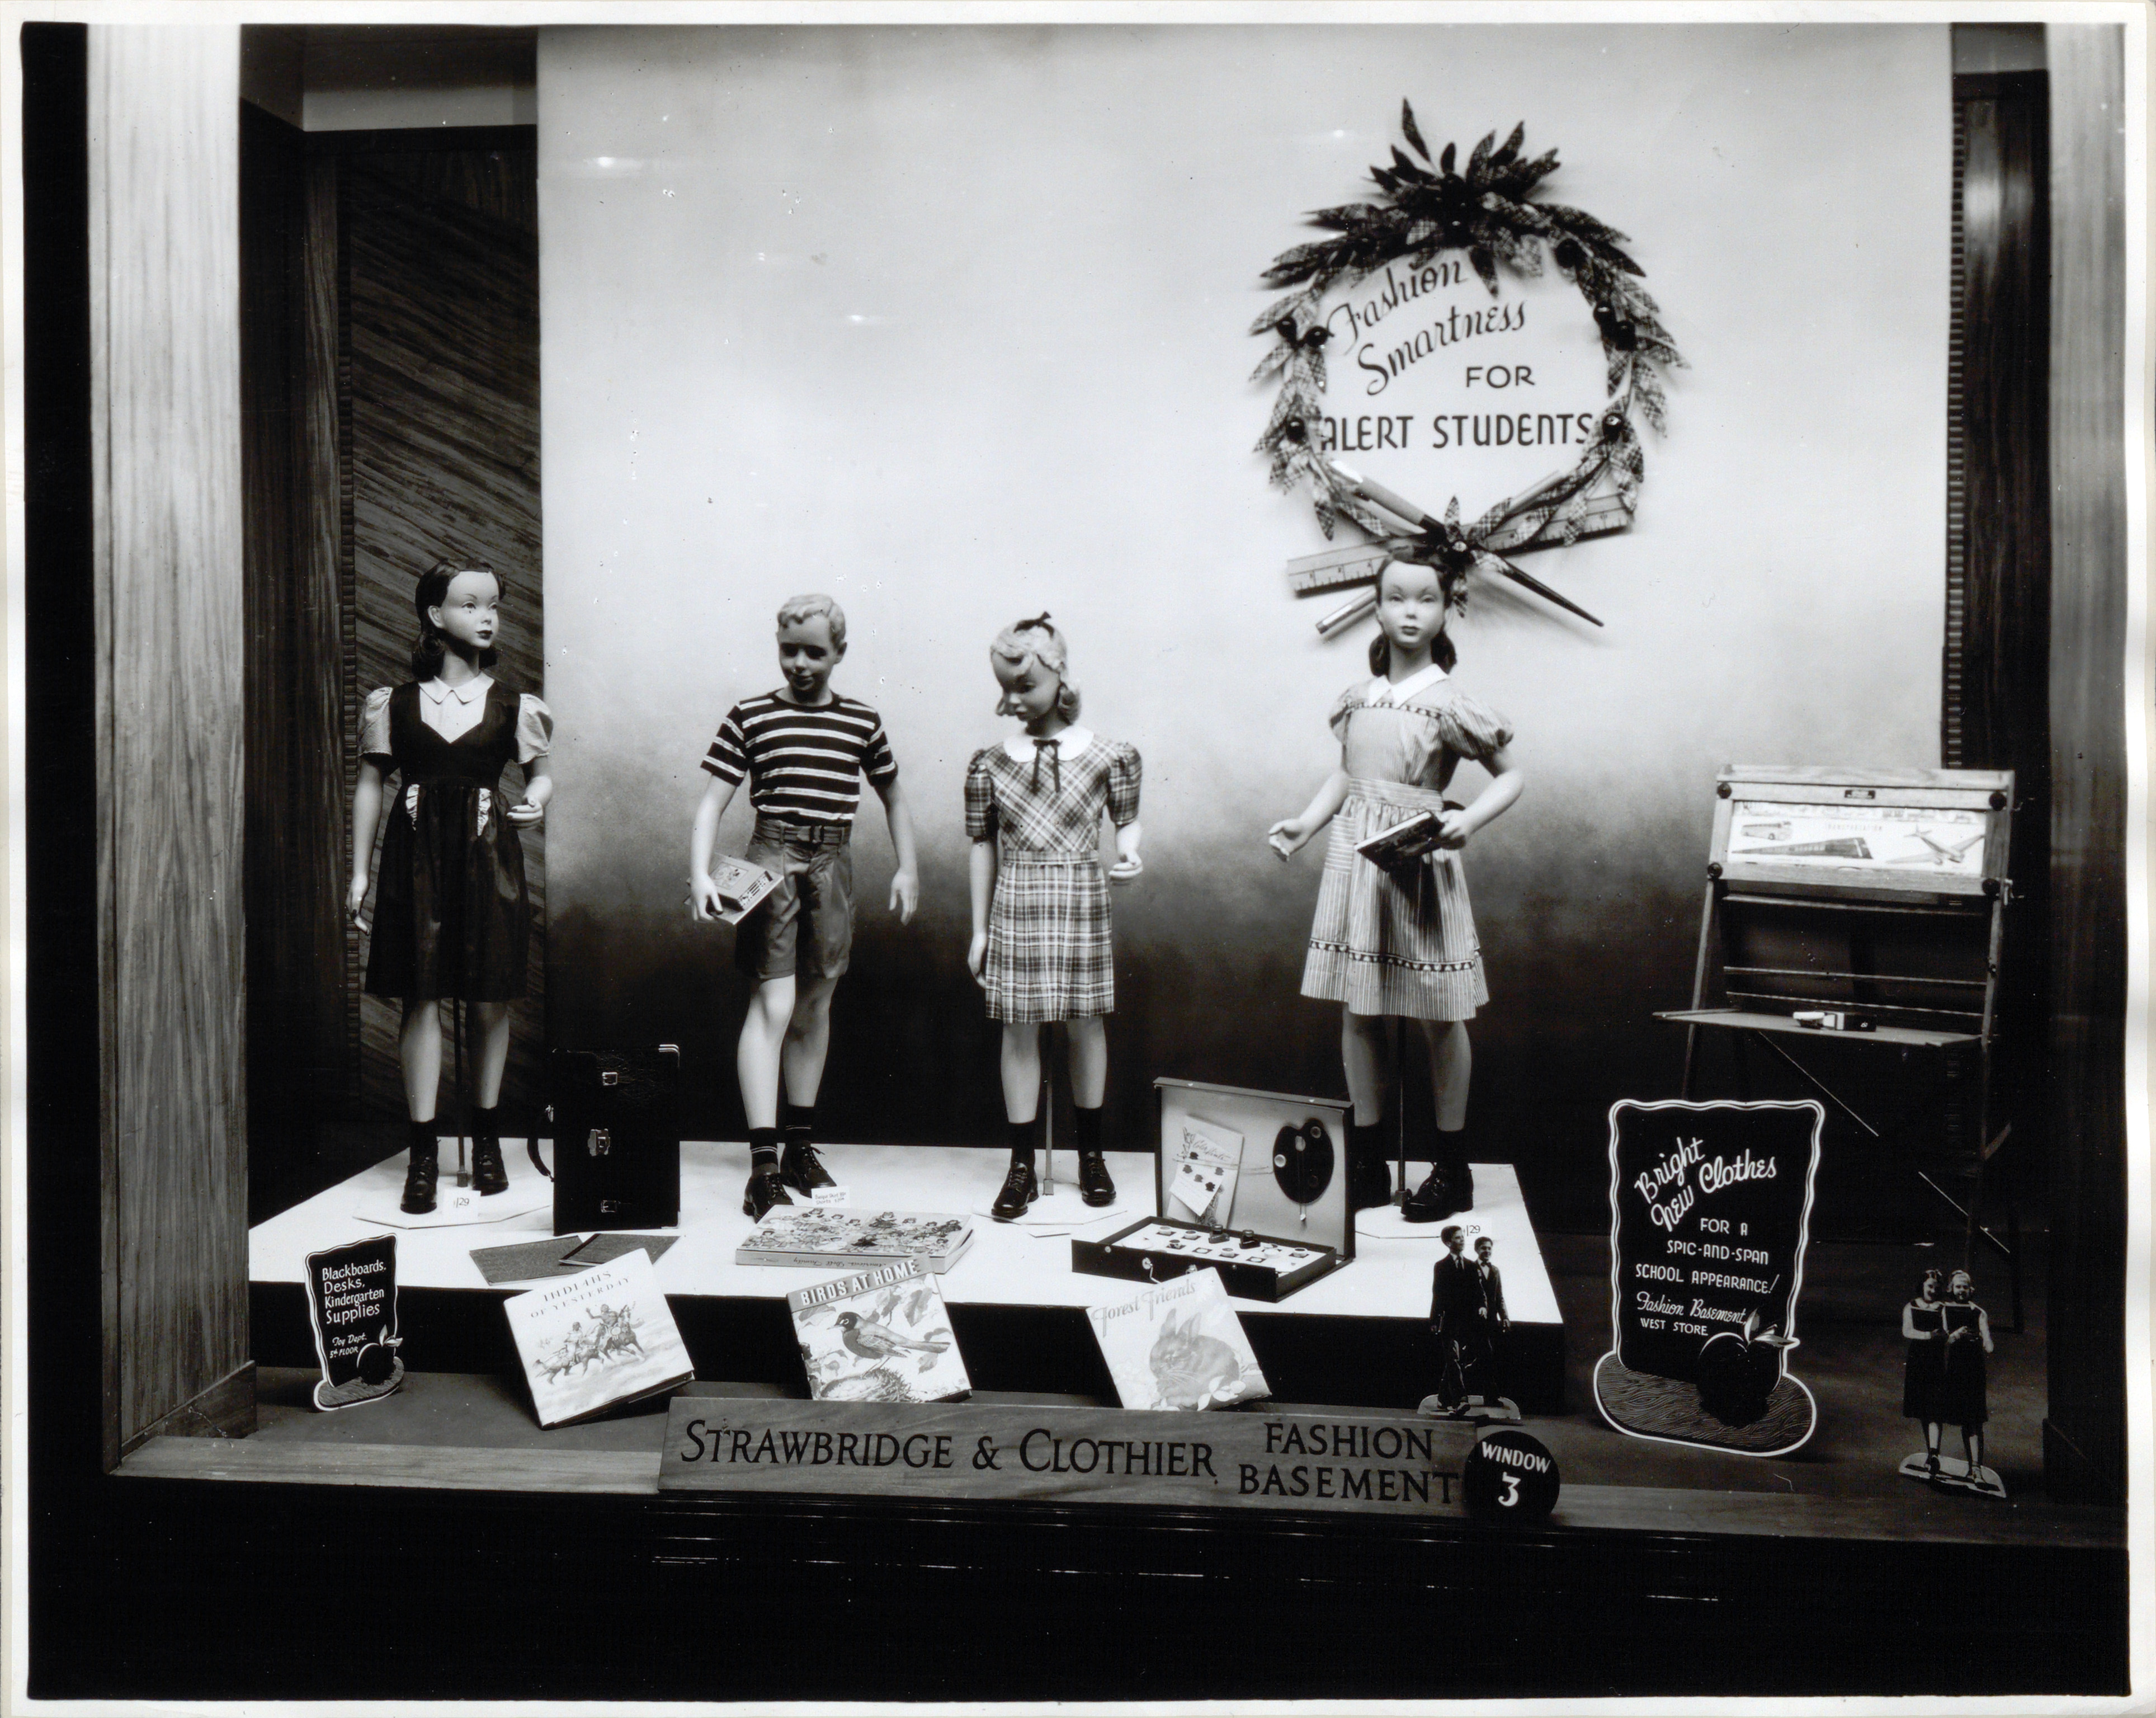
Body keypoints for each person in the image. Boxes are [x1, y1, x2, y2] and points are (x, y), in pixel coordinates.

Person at [1268, 558, 1522, 1217]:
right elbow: (1348, 777)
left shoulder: (1450, 701)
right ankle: (1371, 1161)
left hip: (1418, 859)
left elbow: (1511, 776)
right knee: (1359, 1008)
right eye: (1396, 598)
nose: (1411, 611)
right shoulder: (1359, 698)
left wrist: (1467, 818)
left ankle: (1452, 1168)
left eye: (1427, 598)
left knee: (1440, 1012)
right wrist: (1304, 822)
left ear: (1444, 610)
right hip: (1358, 859)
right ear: (1377, 609)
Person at [691, 594, 920, 1220]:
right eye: (789, 649)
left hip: (833, 863)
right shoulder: (752, 715)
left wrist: (908, 865)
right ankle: (762, 1163)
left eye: (814, 651)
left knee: (816, 1002)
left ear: (839, 653)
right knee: (774, 1002)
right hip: (771, 858)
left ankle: (799, 1146)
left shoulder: (862, 722)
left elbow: (894, 797)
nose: (800, 662)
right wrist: (701, 872)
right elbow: (713, 801)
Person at [349, 561, 553, 1215]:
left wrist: (537, 799)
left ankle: (488, 1141)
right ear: (436, 615)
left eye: (494, 604)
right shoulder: (394, 704)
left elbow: (542, 774)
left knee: (491, 993)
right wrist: (358, 871)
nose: (487, 615)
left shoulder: (516, 705)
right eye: (470, 604)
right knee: (421, 994)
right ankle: (424, 1153)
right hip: (416, 857)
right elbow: (370, 784)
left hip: (489, 854)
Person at [965, 615, 1143, 1218]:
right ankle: (1022, 1163)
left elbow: (1126, 819)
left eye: (1026, 688)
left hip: (1080, 897)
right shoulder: (990, 763)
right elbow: (982, 844)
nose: (1012, 701)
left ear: (1060, 676)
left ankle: (1089, 1154)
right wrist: (979, 928)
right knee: (1018, 1029)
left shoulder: (1107, 755)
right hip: (1016, 897)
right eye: (1005, 688)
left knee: (1085, 1022)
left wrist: (1131, 848)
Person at [1938, 1267, 1994, 1485]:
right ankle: (1933, 1457)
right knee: (1942, 1414)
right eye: (1958, 1287)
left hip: (1973, 1370)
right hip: (1953, 1370)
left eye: (1965, 1287)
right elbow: (1942, 1339)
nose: (1961, 1290)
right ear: (1952, 1289)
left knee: (1974, 1420)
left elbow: (1989, 1343)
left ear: (1970, 1290)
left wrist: (1985, 1342)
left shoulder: (1979, 1312)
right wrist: (1955, 1335)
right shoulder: (1944, 1310)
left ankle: (1976, 1469)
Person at [1426, 1223, 1483, 1414]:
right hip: (1449, 1322)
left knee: (1456, 1361)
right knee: (1453, 1358)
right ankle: (1460, 1401)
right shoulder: (1441, 1267)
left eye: (1463, 1237)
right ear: (1449, 1243)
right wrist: (1434, 1320)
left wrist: (1482, 1306)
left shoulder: (1472, 1266)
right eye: (1458, 1238)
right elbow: (1438, 1294)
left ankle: (1443, 1399)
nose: (1463, 1240)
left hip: (1467, 1323)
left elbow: (1479, 1291)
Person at [1900, 1267, 1947, 1477]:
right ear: (1922, 1286)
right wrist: (1930, 1335)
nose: (1933, 1290)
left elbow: (1946, 1331)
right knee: (1924, 1410)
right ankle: (1932, 1452)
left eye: (1937, 1287)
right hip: (1918, 1361)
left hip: (1937, 1362)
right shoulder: (1910, 1307)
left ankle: (1935, 1453)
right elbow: (1907, 1331)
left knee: (1935, 1407)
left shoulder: (1943, 1308)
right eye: (1930, 1286)